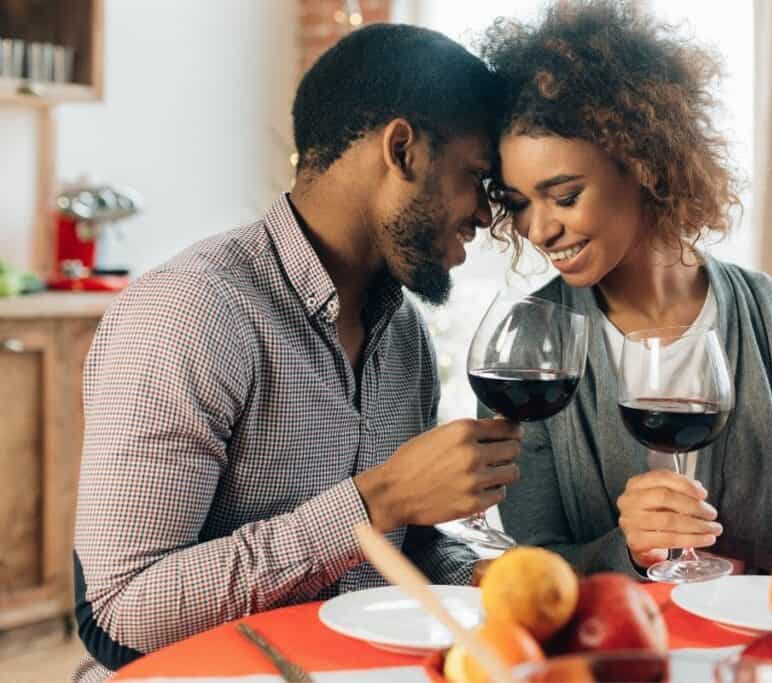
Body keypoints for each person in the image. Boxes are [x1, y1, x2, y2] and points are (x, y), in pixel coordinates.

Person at [73, 24, 521, 682]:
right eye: (476, 176)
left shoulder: (405, 333)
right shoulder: (193, 311)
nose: (486, 214)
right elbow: (120, 612)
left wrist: (482, 573)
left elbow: (410, 546)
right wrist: (374, 503)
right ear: (402, 150)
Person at [480, 0, 772, 577]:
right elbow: (530, 564)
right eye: (519, 204)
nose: (539, 229)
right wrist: (629, 550)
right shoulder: (528, 350)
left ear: (644, 164)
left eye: (564, 196)